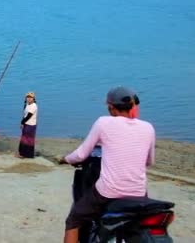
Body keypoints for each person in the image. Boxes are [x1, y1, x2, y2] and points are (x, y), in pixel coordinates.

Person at [58, 86, 155, 243]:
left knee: (74, 220)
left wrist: (65, 159)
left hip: (108, 192)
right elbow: (149, 162)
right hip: (138, 193)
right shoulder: (148, 127)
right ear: (133, 106)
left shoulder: (103, 123)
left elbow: (81, 154)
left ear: (110, 106)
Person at [17, 92, 38, 159]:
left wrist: (22, 122)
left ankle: (27, 154)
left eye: (30, 97)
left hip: (31, 124)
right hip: (26, 123)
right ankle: (22, 153)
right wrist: (22, 123)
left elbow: (28, 116)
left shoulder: (34, 105)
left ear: (33, 98)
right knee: (24, 138)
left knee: (28, 139)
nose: (29, 98)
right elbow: (24, 115)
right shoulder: (27, 104)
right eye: (27, 97)